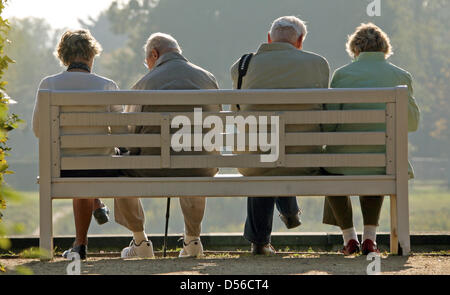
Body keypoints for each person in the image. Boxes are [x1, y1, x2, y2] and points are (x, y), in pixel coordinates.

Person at [230, 16, 330, 255]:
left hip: (255, 160)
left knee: (262, 156)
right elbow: (325, 111)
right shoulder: (318, 64)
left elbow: (236, 110)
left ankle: (260, 242)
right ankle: (289, 210)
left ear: (268, 39)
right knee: (282, 148)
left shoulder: (242, 65)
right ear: (300, 41)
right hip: (304, 159)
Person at [116, 32, 220, 258]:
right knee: (196, 156)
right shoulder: (207, 79)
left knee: (118, 167)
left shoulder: (144, 84)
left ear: (154, 54)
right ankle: (193, 241)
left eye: (147, 62)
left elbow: (128, 138)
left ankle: (140, 242)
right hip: (201, 167)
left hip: (151, 167)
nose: (148, 67)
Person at [322, 23, 420, 255]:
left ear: (355, 48)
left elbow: (329, 124)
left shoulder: (342, 75)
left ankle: (349, 238)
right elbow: (413, 124)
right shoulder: (401, 76)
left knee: (327, 167)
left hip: (343, 163)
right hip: (384, 161)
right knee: (379, 162)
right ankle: (370, 239)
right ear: (385, 48)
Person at [32, 29, 125, 259]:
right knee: (90, 164)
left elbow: (38, 130)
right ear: (91, 54)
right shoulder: (107, 85)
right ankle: (88, 221)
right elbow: (124, 133)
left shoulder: (49, 84)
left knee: (78, 166)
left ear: (64, 56)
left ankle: (80, 242)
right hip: (101, 167)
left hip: (62, 167)